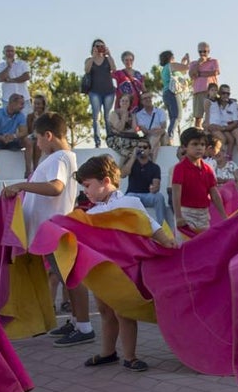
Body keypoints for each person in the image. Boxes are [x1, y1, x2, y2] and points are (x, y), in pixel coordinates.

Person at [0, 112, 94, 348]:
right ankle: (76, 321)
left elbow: (56, 188)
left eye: (37, 137)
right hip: (50, 228)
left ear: (48, 135)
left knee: (70, 277)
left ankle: (85, 326)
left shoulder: (60, 157)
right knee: (65, 278)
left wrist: (21, 185)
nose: (37, 143)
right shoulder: (60, 157)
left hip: (54, 228)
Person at [74, 155, 176, 373]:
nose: (86, 191)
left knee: (124, 311)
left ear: (106, 181)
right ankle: (108, 352)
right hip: (102, 271)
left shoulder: (129, 203)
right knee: (104, 310)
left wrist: (167, 242)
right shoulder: (90, 212)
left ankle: (130, 356)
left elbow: (151, 225)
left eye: (88, 185)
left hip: (124, 271)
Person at [171, 127, 227, 236]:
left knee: (203, 248)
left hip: (204, 215)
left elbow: (214, 194)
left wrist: (224, 216)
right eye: (195, 144)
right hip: (186, 213)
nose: (199, 148)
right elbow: (176, 193)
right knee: (185, 248)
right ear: (184, 147)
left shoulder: (208, 169)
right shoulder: (180, 168)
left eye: (202, 144)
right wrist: (178, 217)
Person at [121, 140, 167, 226]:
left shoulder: (154, 167)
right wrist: (133, 157)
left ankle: (163, 226)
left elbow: (156, 184)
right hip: (133, 194)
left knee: (159, 197)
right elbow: (123, 175)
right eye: (139, 147)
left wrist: (154, 188)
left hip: (147, 196)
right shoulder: (131, 163)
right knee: (128, 197)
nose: (142, 149)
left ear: (149, 150)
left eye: (145, 147)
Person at [84, 39, 116, 148]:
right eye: (97, 46)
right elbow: (87, 70)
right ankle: (97, 142)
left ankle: (110, 140)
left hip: (109, 92)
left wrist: (109, 55)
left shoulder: (107, 60)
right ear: (93, 47)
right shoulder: (89, 60)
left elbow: (114, 69)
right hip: (94, 92)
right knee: (96, 117)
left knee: (107, 117)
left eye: (101, 46)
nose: (99, 48)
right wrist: (93, 56)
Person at [207, 84, 238, 168]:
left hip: (230, 127)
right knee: (225, 138)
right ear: (219, 93)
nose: (225, 95)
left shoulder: (233, 104)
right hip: (218, 128)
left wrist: (224, 128)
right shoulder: (215, 103)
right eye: (223, 93)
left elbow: (236, 122)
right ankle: (222, 161)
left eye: (228, 93)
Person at [158, 50, 190, 141]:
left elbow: (182, 72)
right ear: (171, 57)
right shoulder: (171, 65)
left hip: (166, 93)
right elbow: (187, 67)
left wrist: (182, 62)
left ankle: (168, 137)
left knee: (173, 117)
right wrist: (188, 59)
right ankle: (169, 137)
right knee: (177, 116)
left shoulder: (165, 68)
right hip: (173, 93)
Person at [188, 42, 220, 128]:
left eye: (204, 51)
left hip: (211, 91)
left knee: (213, 116)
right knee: (198, 117)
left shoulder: (213, 61)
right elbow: (191, 75)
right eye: (200, 51)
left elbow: (215, 72)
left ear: (208, 51)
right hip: (198, 91)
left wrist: (199, 74)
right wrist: (199, 64)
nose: (202, 53)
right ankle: (198, 135)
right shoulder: (194, 63)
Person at [107, 93, 145, 162]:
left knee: (143, 143)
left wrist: (142, 135)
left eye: (127, 101)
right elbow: (120, 128)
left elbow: (135, 129)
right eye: (122, 101)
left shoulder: (132, 115)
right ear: (119, 102)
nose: (124, 103)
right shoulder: (114, 113)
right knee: (133, 148)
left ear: (130, 103)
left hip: (127, 139)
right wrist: (124, 115)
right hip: (115, 139)